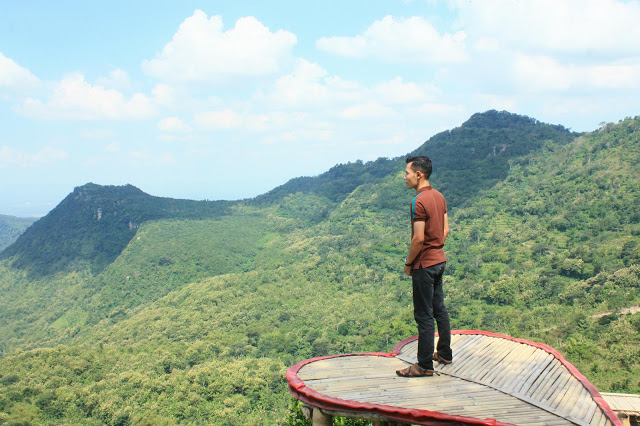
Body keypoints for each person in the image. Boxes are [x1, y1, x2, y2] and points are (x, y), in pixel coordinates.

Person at [396, 155, 452, 377]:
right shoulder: (439, 196)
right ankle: (445, 353)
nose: (405, 177)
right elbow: (445, 230)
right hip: (439, 260)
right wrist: (436, 247)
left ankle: (424, 365)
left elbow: (418, 239)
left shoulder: (418, 201)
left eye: (407, 173)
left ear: (419, 174)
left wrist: (409, 263)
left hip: (424, 265)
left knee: (424, 315)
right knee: (439, 309)